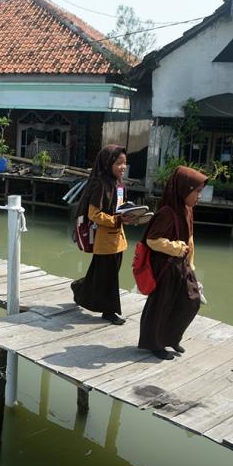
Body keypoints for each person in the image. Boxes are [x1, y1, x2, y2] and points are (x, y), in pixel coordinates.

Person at [138, 166, 208, 360]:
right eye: (197, 191)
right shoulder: (167, 213)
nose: (199, 196)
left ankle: (171, 337)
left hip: (183, 265)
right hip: (165, 266)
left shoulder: (188, 209)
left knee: (191, 301)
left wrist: (191, 264)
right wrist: (176, 248)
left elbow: (190, 238)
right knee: (161, 305)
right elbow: (152, 240)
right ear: (185, 189)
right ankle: (155, 344)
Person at [71, 145, 131, 325]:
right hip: (104, 240)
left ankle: (79, 288)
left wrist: (131, 213)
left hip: (119, 238)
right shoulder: (100, 184)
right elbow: (94, 214)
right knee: (108, 276)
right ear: (108, 162)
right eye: (119, 163)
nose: (122, 167)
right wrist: (117, 220)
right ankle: (109, 311)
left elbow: (120, 206)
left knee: (102, 274)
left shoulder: (119, 184)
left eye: (125, 163)